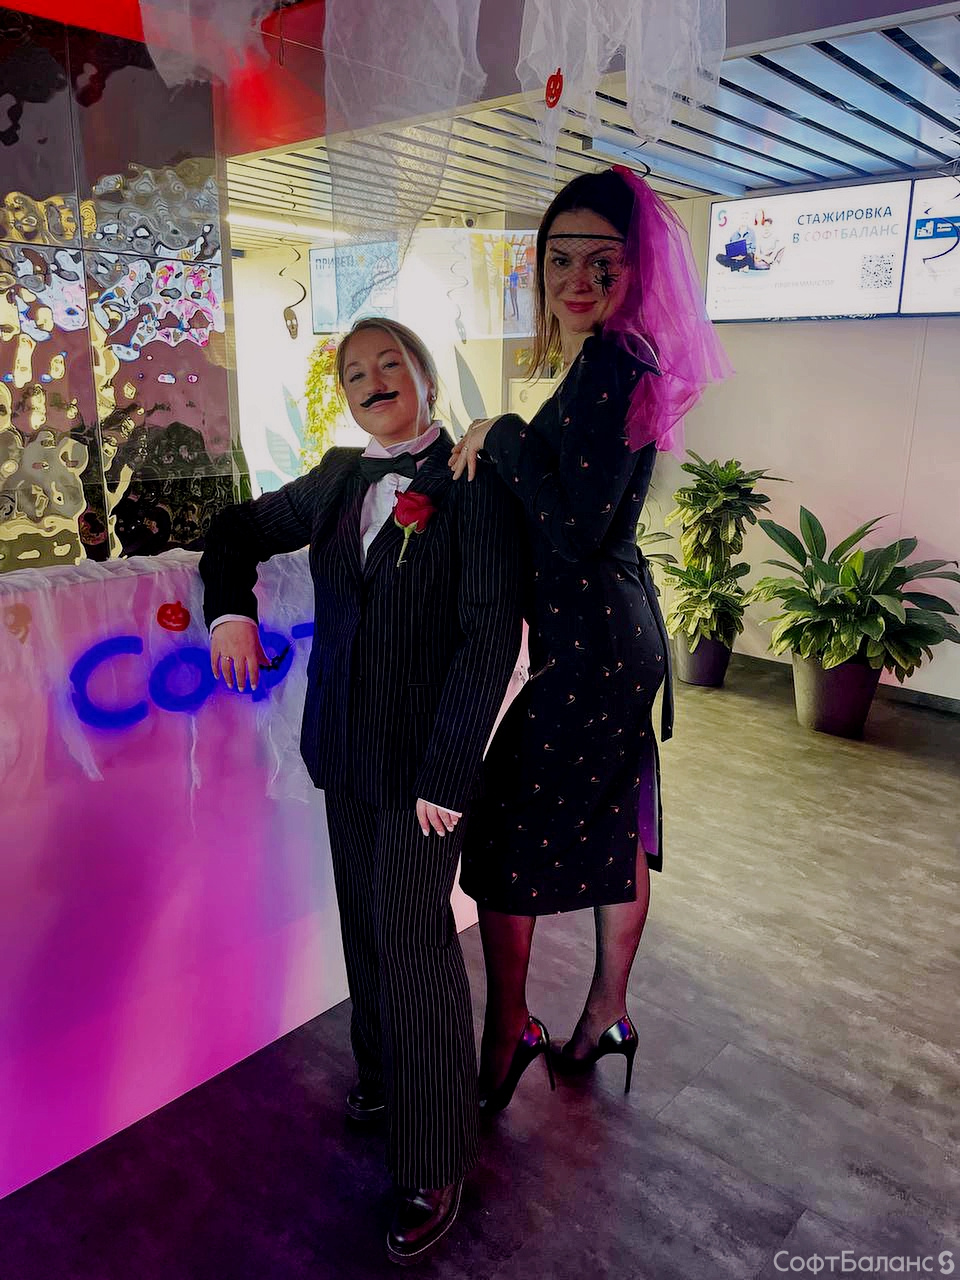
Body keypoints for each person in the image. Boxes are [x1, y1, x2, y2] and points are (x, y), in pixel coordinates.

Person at [199, 318, 524, 1265]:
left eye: (390, 364)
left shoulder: (474, 481)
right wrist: (230, 612)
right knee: (366, 925)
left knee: (414, 941)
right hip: (345, 750)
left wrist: (449, 773)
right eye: (355, 373)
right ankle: (385, 1078)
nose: (373, 381)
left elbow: (491, 635)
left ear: (425, 376)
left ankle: (436, 1156)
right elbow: (236, 530)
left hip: (427, 771)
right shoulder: (340, 477)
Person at [450, 167, 730, 1112]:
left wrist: (502, 434)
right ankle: (604, 1012)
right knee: (613, 819)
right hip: (612, 634)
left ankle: (509, 1032)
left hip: (592, 644)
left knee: (499, 832)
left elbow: (569, 529)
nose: (577, 278)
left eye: (601, 262)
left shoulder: (615, 363)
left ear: (636, 266)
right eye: (559, 259)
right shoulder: (620, 358)